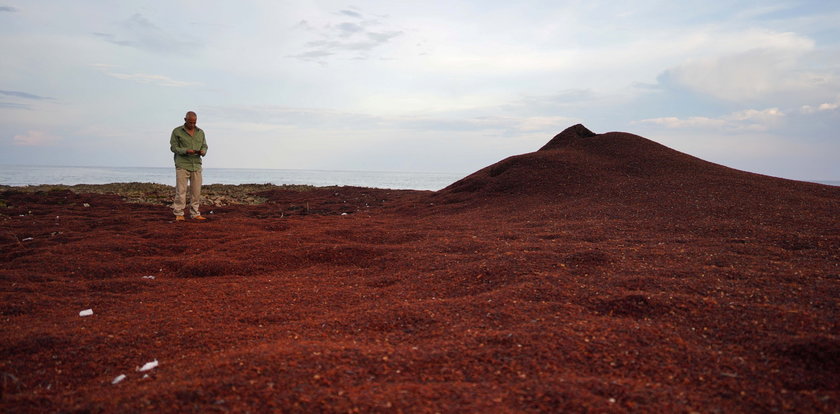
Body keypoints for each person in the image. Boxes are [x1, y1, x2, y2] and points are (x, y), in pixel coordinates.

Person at [170, 111, 208, 221]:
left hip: (196, 164)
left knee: (196, 191)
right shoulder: (177, 131)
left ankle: (195, 213)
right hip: (182, 164)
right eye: (190, 122)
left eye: (194, 122)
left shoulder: (200, 132)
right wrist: (186, 151)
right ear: (185, 120)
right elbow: (173, 147)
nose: (192, 124)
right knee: (181, 191)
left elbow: (205, 146)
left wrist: (203, 152)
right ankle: (179, 213)